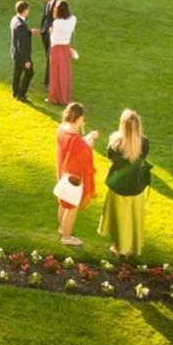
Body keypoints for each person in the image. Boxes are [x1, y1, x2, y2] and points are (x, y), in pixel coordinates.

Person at [98, 109, 150, 258]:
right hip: (136, 185)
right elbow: (144, 156)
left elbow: (109, 156)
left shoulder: (115, 140)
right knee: (132, 217)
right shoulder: (144, 142)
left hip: (118, 185)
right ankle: (129, 248)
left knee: (118, 218)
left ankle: (118, 247)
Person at [55, 103, 98, 247]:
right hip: (74, 176)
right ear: (78, 118)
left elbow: (75, 146)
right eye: (82, 118)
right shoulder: (74, 138)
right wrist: (90, 146)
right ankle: (66, 237)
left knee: (63, 203)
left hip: (64, 173)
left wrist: (86, 138)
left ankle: (62, 229)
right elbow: (84, 155)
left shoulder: (62, 128)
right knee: (72, 207)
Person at [46, 0, 77, 104]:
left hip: (57, 48)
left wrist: (51, 32)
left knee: (56, 73)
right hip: (66, 47)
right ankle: (65, 95)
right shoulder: (73, 19)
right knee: (65, 72)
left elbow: (54, 39)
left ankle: (56, 97)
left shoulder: (57, 22)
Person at [11, 1, 37, 101]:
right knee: (29, 73)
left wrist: (30, 32)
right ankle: (21, 94)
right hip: (23, 55)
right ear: (25, 11)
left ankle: (15, 92)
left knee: (17, 73)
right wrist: (27, 60)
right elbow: (22, 44)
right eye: (28, 10)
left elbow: (19, 36)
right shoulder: (21, 25)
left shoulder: (14, 19)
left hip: (16, 53)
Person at [38, 0, 56, 89]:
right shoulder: (46, 3)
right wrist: (41, 30)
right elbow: (44, 17)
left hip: (53, 35)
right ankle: (48, 81)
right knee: (48, 57)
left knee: (50, 58)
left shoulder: (58, 5)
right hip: (45, 34)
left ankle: (48, 82)